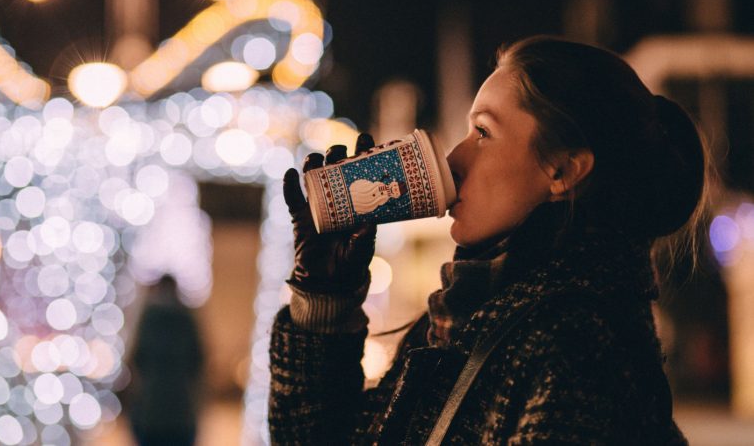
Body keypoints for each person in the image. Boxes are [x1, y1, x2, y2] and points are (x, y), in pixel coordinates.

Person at [269, 36, 708, 444]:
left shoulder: (576, 347)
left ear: (564, 171)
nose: (454, 159)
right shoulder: (466, 316)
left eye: (483, 132)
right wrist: (325, 300)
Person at [125, 274, 204, 446]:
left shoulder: (148, 318)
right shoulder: (186, 318)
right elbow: (198, 359)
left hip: (150, 410)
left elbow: (137, 358)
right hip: (180, 409)